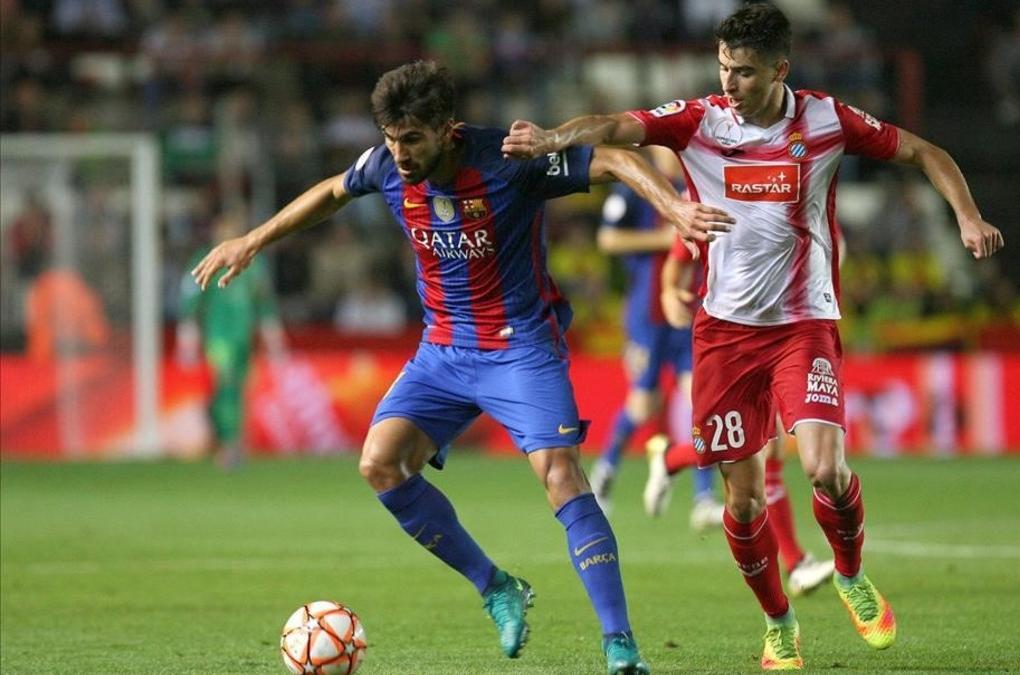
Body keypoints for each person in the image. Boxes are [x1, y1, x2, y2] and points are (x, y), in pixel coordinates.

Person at [502, 4, 1003, 669]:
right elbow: (617, 127)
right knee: (740, 502)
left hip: (804, 324)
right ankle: (778, 622)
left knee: (824, 466)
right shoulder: (701, 120)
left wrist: (966, 216)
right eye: (724, 68)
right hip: (724, 336)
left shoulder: (827, 119)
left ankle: (850, 572)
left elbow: (924, 152)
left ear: (780, 69)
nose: (730, 82)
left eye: (743, 72)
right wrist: (551, 139)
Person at [191, 61, 731, 674]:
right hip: (443, 352)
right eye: (391, 139)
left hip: (520, 346)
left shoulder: (506, 161)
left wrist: (675, 211)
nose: (398, 154)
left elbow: (611, 158)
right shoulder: (386, 165)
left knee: (560, 476)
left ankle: (620, 645)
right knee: (379, 464)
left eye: (411, 140)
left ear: (447, 130)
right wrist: (252, 241)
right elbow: (331, 192)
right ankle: (496, 587)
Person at [647, 237, 837, 597]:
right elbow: (678, 254)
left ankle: (796, 563)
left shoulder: (798, 198)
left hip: (787, 334)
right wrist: (670, 291)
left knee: (771, 448)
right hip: (730, 341)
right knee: (753, 451)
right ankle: (795, 564)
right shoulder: (718, 197)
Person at [589, 146, 723, 530]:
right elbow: (608, 240)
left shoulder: (700, 185)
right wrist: (665, 239)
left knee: (702, 401)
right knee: (644, 405)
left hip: (688, 308)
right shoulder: (636, 187)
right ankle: (605, 470)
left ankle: (703, 498)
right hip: (648, 312)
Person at [177, 210, 287, 469]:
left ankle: (235, 442)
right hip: (219, 336)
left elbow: (265, 305)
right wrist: (187, 339)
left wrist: (274, 339)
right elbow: (190, 300)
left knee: (239, 391)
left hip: (244, 338)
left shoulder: (254, 264)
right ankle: (228, 445)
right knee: (225, 386)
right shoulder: (206, 259)